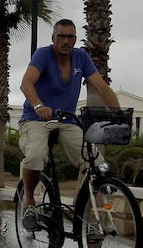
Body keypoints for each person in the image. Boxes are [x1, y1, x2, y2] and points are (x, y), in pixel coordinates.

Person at [18, 19, 121, 230]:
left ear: (75, 39)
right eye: (61, 36)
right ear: (53, 38)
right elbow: (26, 83)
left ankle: (81, 206)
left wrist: (118, 114)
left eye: (70, 37)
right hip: (37, 118)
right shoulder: (43, 55)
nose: (66, 41)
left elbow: (102, 87)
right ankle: (29, 201)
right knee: (36, 156)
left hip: (66, 120)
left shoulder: (81, 58)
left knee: (93, 160)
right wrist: (39, 105)